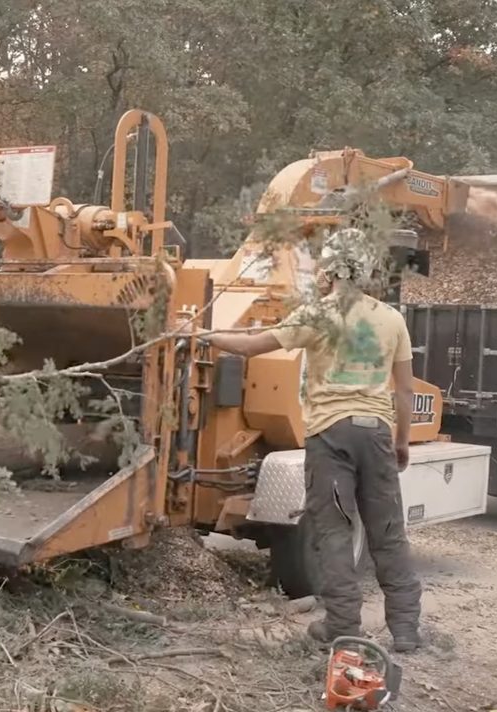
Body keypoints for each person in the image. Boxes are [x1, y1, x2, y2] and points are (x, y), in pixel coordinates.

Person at [193, 227, 422, 652]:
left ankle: (342, 627)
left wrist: (202, 335)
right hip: (375, 435)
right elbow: (405, 390)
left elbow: (248, 348)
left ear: (331, 269)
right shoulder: (391, 319)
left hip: (330, 435)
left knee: (334, 531)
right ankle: (405, 629)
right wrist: (402, 440)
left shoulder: (316, 315)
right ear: (368, 268)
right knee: (388, 531)